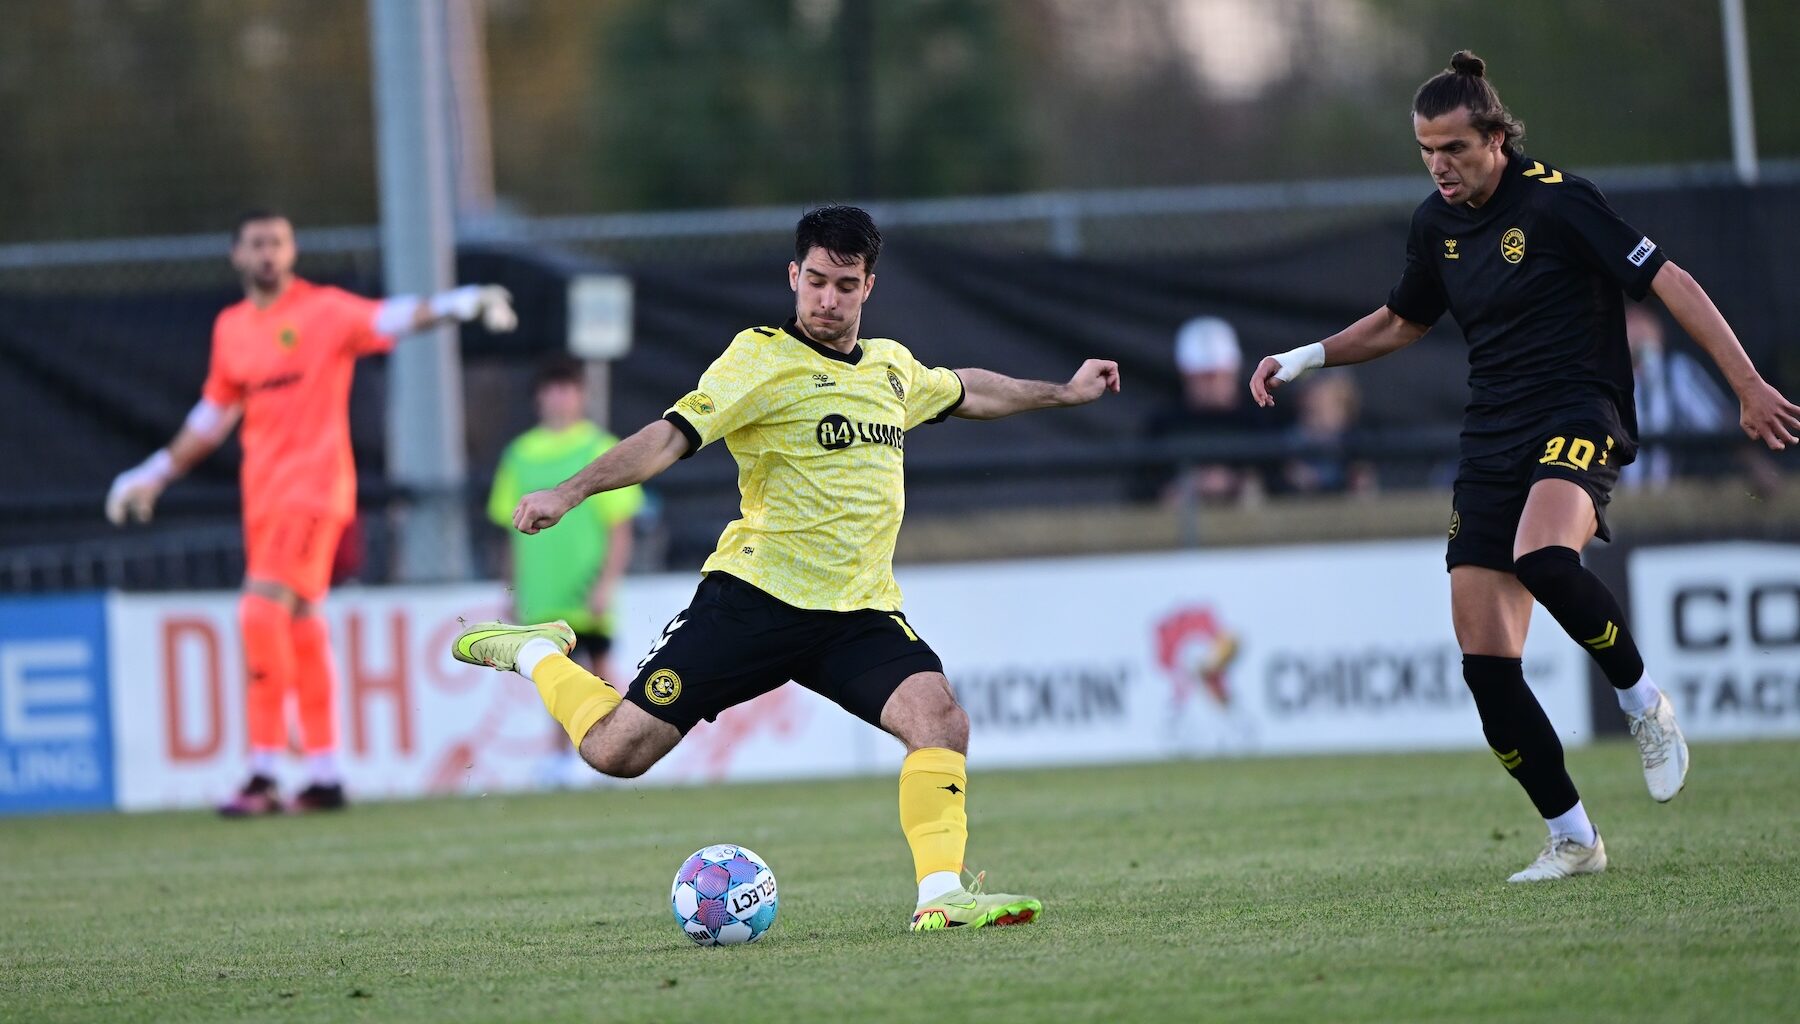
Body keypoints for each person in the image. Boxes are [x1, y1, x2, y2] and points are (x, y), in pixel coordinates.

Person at [451, 205, 1120, 930]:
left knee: (941, 720)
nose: (828, 300)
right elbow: (667, 439)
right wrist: (571, 490)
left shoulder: (892, 370)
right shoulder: (760, 359)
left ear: (869, 287)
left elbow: (967, 389)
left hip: (858, 613)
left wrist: (1065, 391)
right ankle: (539, 652)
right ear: (794, 276)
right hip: (755, 599)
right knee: (617, 751)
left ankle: (941, 897)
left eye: (845, 285)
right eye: (817, 282)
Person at [1249, 52, 1799, 883]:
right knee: (1487, 671)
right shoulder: (1434, 225)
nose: (1440, 165)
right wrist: (1303, 359)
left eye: (1456, 148)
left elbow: (1671, 281)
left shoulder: (1558, 201)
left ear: (1497, 139)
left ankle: (1642, 701)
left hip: (1580, 411)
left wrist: (1748, 385)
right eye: (1427, 150)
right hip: (1493, 434)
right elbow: (1403, 321)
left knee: (1543, 557)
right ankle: (1574, 837)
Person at [105, 209, 519, 816]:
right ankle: (324, 774)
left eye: (278, 242)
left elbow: (392, 317)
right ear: (237, 256)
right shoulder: (232, 328)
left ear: (292, 251)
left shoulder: (323, 311)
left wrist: (460, 302)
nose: (268, 253)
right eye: (256, 244)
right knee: (300, 630)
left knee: (258, 613)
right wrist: (154, 473)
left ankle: (264, 772)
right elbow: (212, 416)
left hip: (315, 494)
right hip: (264, 501)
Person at [488, 355, 644, 780]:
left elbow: (619, 527)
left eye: (567, 390)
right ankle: (563, 759)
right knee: (555, 679)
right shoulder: (520, 454)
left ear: (581, 396)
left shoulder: (599, 448)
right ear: (540, 398)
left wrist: (606, 583)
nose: (559, 399)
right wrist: (513, 589)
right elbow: (509, 528)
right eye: (551, 390)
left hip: (585, 587)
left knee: (600, 671)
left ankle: (629, 746)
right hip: (543, 590)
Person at [1620, 303, 1768, 491]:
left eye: (1645, 319)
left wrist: (1757, 466)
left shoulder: (1676, 373)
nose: (1638, 328)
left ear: (1659, 329)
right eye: (1630, 319)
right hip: (1604, 501)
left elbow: (1720, 423)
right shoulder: (1597, 377)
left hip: (1661, 504)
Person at [1137, 316, 1279, 505]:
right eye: (1202, 376)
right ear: (1184, 375)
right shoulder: (1162, 424)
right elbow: (1140, 490)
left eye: (1217, 374)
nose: (1212, 383)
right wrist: (1186, 487)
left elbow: (1282, 483)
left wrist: (1235, 484)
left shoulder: (1262, 418)